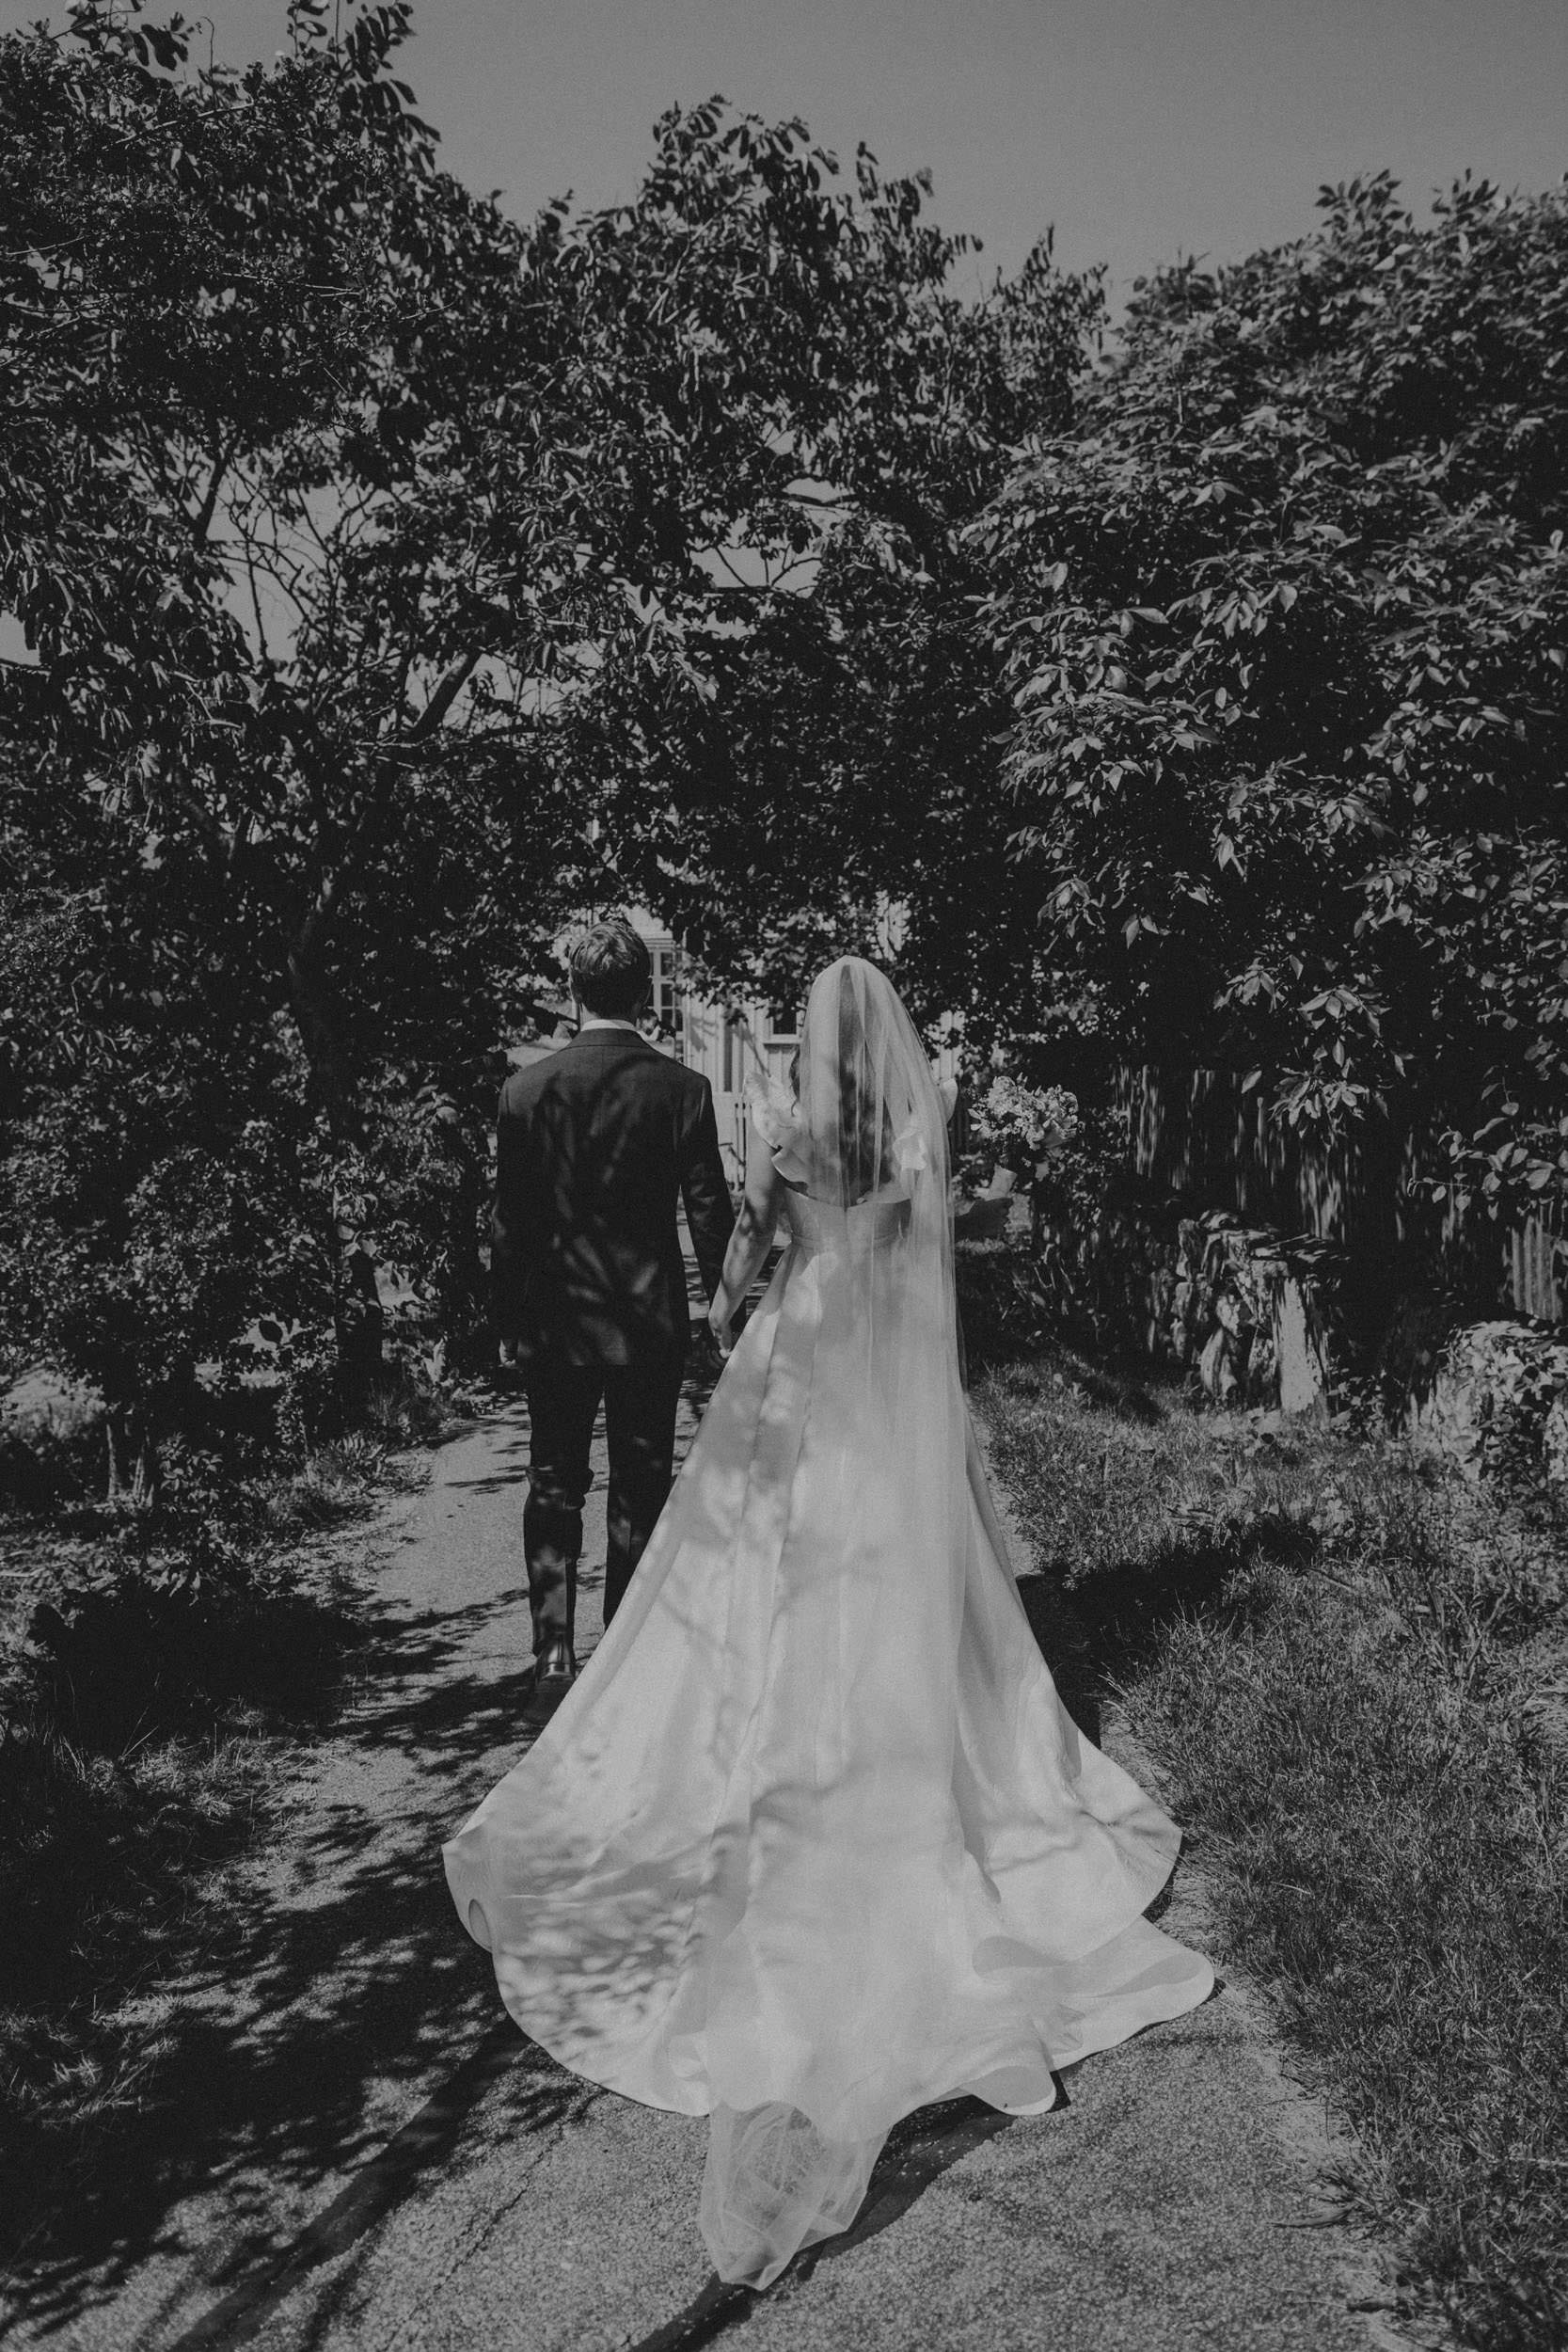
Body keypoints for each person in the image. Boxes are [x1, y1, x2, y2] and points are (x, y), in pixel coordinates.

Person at [446, 956, 1213, 2284]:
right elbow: (926, 1260)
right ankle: (901, 1715)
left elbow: (748, 1246)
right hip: (877, 1361)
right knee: (888, 1549)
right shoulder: (912, 1132)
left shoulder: (788, 1135)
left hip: (791, 1355)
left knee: (742, 1551)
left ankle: (599, 1663)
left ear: (812, 1044)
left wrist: (729, 1304)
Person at [490, 918, 734, 1719]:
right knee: (640, 1484)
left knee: (553, 1479)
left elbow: (509, 1221)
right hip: (646, 1322)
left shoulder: (526, 1091)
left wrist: (505, 1318)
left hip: (556, 1321)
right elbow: (709, 1214)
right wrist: (725, 1313)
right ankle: (623, 1658)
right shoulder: (682, 1090)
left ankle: (552, 1656)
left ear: (573, 992)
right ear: (642, 995)